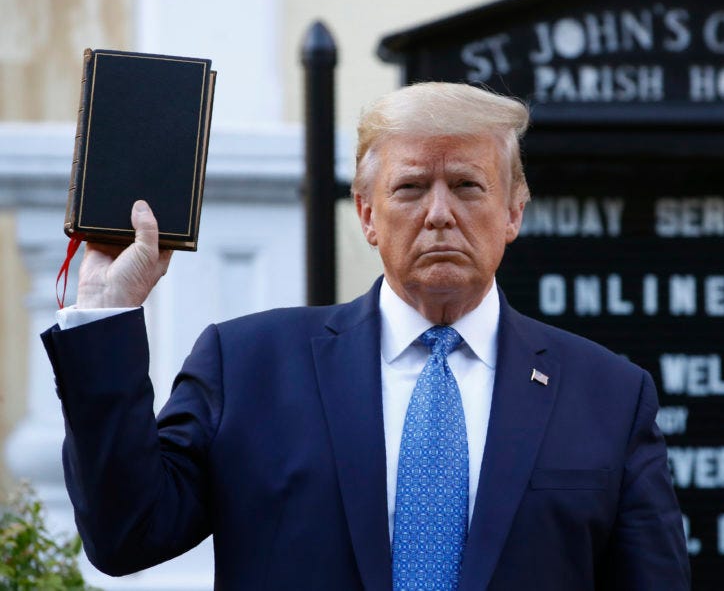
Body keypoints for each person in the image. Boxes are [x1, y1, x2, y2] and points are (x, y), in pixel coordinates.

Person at [42, 82, 690, 590]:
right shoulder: (249, 368)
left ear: (514, 210)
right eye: (411, 187)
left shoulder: (607, 395)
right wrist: (107, 312)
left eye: (467, 185)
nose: (440, 213)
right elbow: (125, 531)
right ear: (367, 212)